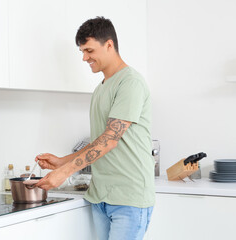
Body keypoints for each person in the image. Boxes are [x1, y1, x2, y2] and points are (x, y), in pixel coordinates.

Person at [35, 16, 155, 240]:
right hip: (101, 197)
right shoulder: (101, 88)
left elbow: (110, 139)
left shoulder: (130, 83)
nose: (84, 57)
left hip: (129, 198)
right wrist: (63, 161)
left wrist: (64, 172)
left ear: (109, 45)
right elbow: (100, 141)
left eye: (89, 50)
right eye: (82, 51)